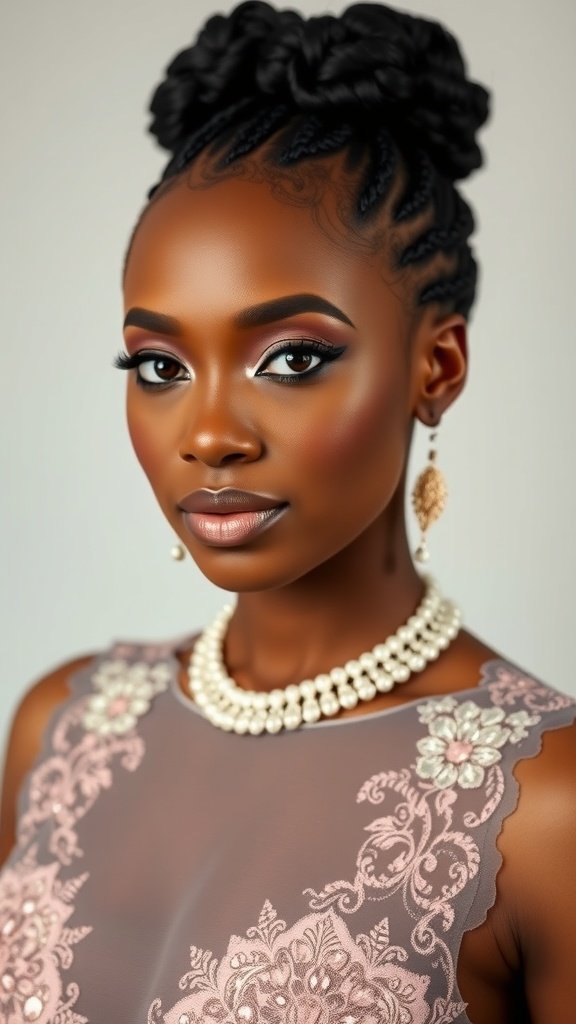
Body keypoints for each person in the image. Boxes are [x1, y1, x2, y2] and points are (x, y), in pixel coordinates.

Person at [1, 2, 575, 1021]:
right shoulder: (59, 725)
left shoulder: (548, 808)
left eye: (293, 359)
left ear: (435, 365)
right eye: (160, 365)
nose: (210, 432)